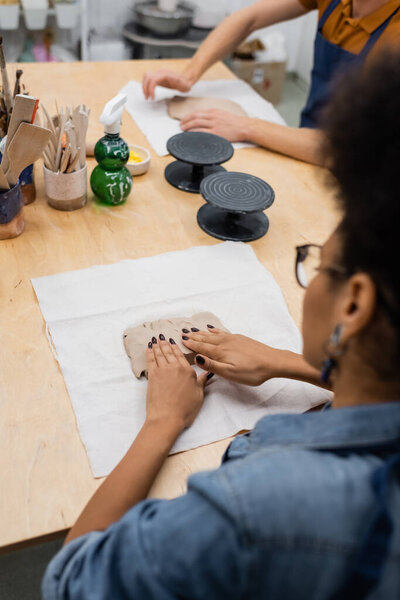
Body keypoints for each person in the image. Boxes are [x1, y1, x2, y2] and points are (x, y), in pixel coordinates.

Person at [43, 50, 400, 599]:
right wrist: (292, 363)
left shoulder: (256, 511)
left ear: (353, 307)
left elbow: (70, 581)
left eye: (315, 264)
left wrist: (162, 422)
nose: (310, 275)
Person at [142, 0, 400, 165]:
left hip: (362, 173)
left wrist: (247, 127)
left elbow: (346, 149)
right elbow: (250, 17)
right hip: (302, 141)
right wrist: (189, 74)